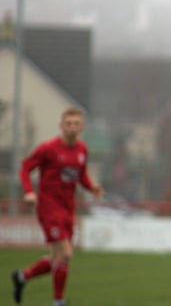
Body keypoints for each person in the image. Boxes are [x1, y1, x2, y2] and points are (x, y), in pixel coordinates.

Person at [11, 106, 104, 306]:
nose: (72, 127)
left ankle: (22, 276)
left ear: (82, 127)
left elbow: (81, 176)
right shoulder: (48, 148)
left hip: (68, 208)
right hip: (48, 207)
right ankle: (58, 301)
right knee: (66, 253)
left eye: (76, 124)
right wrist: (29, 191)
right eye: (68, 124)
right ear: (61, 126)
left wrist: (92, 187)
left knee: (58, 257)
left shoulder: (82, 150)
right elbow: (26, 168)